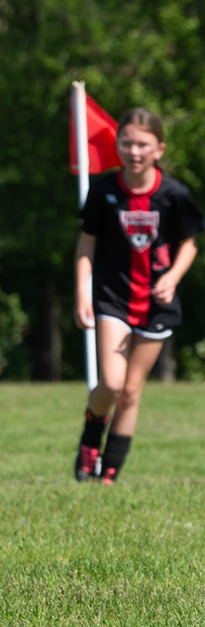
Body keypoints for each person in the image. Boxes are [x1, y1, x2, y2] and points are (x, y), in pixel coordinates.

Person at [73, 108, 200, 484]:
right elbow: (86, 244)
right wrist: (83, 290)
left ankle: (109, 472)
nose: (134, 151)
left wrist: (173, 277)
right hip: (113, 299)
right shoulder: (104, 191)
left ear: (159, 149)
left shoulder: (175, 195)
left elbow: (189, 243)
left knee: (131, 391)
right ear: (118, 145)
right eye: (126, 143)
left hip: (157, 306)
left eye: (143, 144)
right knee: (112, 384)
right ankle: (90, 440)